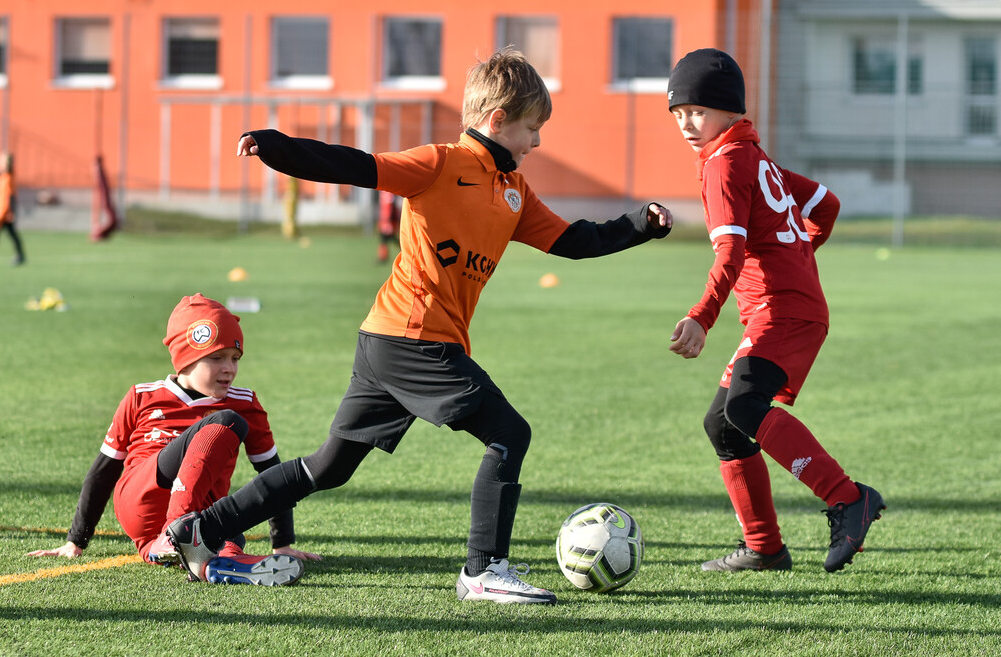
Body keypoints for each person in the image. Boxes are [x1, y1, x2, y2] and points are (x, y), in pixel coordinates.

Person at [162, 47, 673, 604]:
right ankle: (484, 571)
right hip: (412, 337)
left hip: (391, 340)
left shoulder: (512, 191)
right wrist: (276, 147)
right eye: (532, 128)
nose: (537, 142)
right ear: (497, 120)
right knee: (509, 434)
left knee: (329, 467)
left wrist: (638, 225)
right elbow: (355, 164)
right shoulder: (440, 163)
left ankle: (200, 530)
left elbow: (575, 241)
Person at [665, 48, 885, 573]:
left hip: (781, 312)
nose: (687, 124)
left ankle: (848, 497)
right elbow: (825, 205)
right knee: (723, 423)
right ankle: (764, 547)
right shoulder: (754, 157)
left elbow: (731, 252)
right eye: (677, 114)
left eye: (697, 110)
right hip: (789, 306)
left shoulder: (724, 165)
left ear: (730, 111)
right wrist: (798, 258)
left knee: (742, 408)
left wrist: (701, 315)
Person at [26, 294, 321, 585]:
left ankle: (216, 563)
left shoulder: (245, 401)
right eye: (216, 358)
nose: (229, 368)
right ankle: (177, 531)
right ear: (186, 358)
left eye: (235, 358)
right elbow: (104, 471)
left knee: (230, 535)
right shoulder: (142, 396)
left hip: (198, 516)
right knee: (226, 422)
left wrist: (282, 544)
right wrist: (75, 541)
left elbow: (271, 472)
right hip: (142, 499)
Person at [374, 190, 401, 263]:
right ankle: (383, 257)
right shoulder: (385, 193)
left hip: (388, 222)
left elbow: (391, 208)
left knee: (386, 238)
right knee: (387, 239)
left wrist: (390, 221)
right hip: (385, 221)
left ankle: (383, 257)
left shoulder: (389, 194)